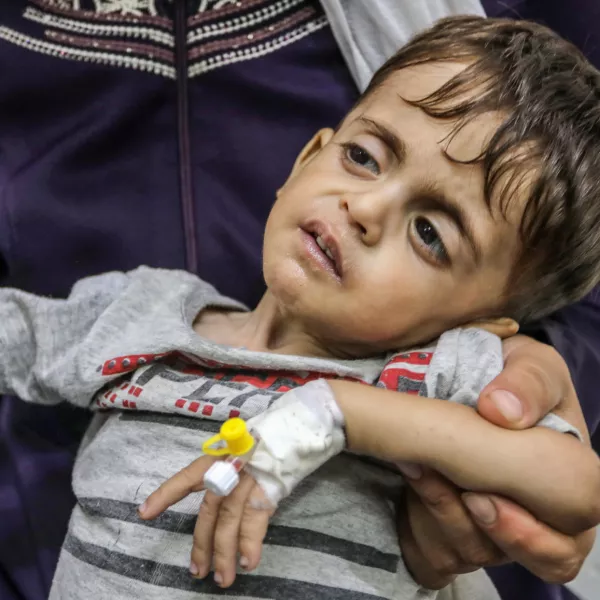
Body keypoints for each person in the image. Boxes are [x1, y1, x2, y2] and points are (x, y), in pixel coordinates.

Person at [0, 2, 597, 600]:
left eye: (430, 233)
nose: (363, 209)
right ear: (306, 159)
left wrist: (340, 414)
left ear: (479, 324)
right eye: (363, 157)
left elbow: (577, 486)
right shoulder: (137, 313)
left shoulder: (425, 378)